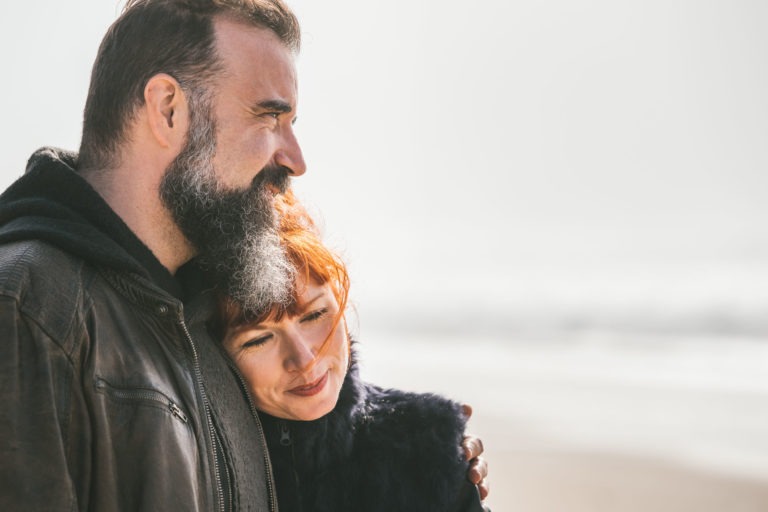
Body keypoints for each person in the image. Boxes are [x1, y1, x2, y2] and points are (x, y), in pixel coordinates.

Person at [0, 0, 487, 510]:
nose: (295, 160)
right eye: (269, 116)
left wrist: (428, 457)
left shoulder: (196, 312)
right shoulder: (28, 308)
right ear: (168, 108)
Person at [218, 190, 489, 511]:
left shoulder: (428, 441)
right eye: (258, 340)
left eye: (315, 315)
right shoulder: (198, 462)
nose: (305, 360)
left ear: (340, 300)